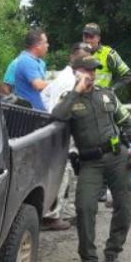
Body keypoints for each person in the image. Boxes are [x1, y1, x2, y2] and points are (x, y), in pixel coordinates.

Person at [51, 56, 131, 262]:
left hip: (117, 156)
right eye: (86, 71)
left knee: (124, 204)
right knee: (84, 207)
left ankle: (113, 251)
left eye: (93, 71)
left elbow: (126, 121)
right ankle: (88, 258)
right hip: (90, 162)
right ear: (76, 72)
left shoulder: (107, 94)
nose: (91, 75)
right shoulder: (68, 99)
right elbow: (57, 116)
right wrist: (77, 90)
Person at [40, 42, 94, 231]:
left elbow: (45, 95)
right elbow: (62, 110)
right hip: (62, 131)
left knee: (69, 173)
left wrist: (48, 111)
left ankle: (65, 212)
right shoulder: (69, 82)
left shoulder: (64, 77)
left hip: (56, 129)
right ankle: (51, 216)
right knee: (63, 173)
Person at [81, 23, 131, 93]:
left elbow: (128, 75)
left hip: (101, 96)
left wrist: (113, 88)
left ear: (98, 38)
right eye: (85, 36)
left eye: (91, 37)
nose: (88, 40)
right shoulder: (78, 53)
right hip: (81, 96)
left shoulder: (109, 54)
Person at [8, 29, 50, 111]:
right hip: (30, 113)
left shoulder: (37, 61)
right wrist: (57, 83)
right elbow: (38, 85)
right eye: (45, 42)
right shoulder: (26, 61)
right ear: (38, 45)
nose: (47, 45)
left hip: (38, 111)